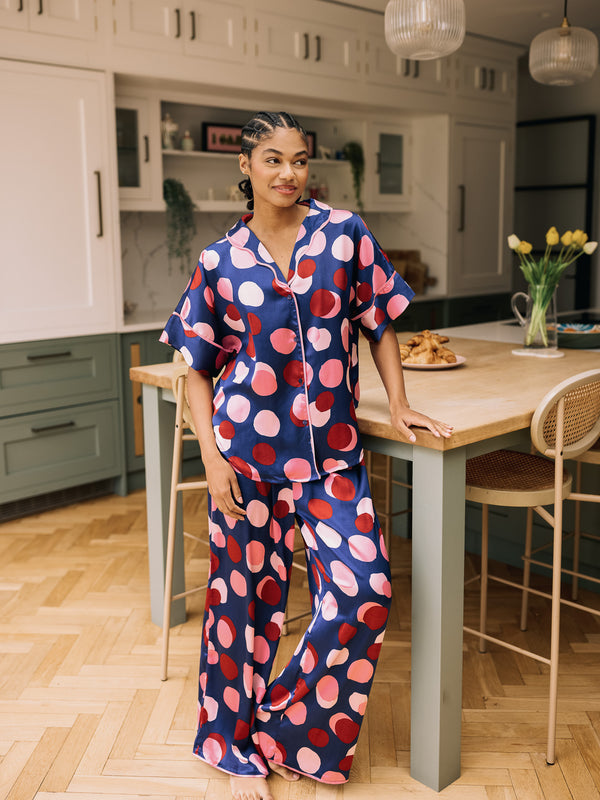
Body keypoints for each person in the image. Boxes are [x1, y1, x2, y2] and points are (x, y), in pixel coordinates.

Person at [160, 111, 453, 800]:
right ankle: (227, 742)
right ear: (245, 167)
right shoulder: (219, 260)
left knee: (366, 589)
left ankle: (288, 730)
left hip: (333, 457)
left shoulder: (343, 232)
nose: (289, 172)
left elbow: (377, 319)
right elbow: (197, 368)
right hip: (246, 456)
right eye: (272, 159)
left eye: (298, 159)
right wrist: (212, 456)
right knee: (242, 604)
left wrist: (399, 399)